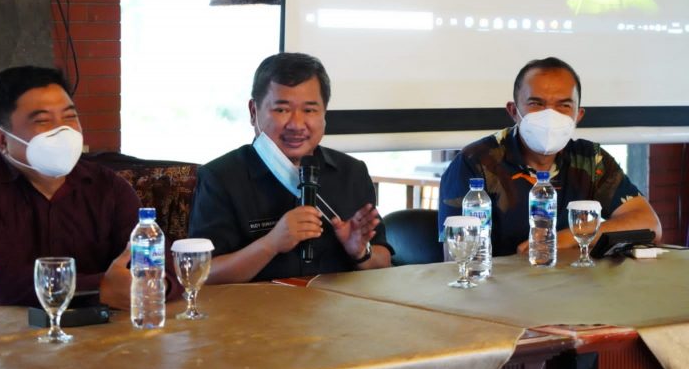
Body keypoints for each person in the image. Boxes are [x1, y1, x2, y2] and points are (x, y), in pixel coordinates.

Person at [0, 66, 170, 309]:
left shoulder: (109, 187)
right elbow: (0, 286)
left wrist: (154, 284)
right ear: (2, 140)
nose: (63, 131)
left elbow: (157, 264)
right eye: (42, 120)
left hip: (95, 334)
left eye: (70, 117)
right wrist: (100, 288)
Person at [188, 52, 392, 283]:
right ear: (253, 112)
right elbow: (201, 273)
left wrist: (361, 253)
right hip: (254, 314)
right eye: (282, 110)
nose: (296, 124)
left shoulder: (352, 172)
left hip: (337, 312)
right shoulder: (220, 177)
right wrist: (271, 244)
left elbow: (384, 261)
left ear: (324, 113)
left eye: (309, 110)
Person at [438, 56, 661, 256]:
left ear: (578, 115)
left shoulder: (591, 160)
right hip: (498, 293)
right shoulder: (474, 162)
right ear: (514, 111)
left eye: (563, 105)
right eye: (536, 103)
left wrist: (567, 237)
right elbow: (455, 256)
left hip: (573, 289)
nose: (550, 115)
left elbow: (649, 224)